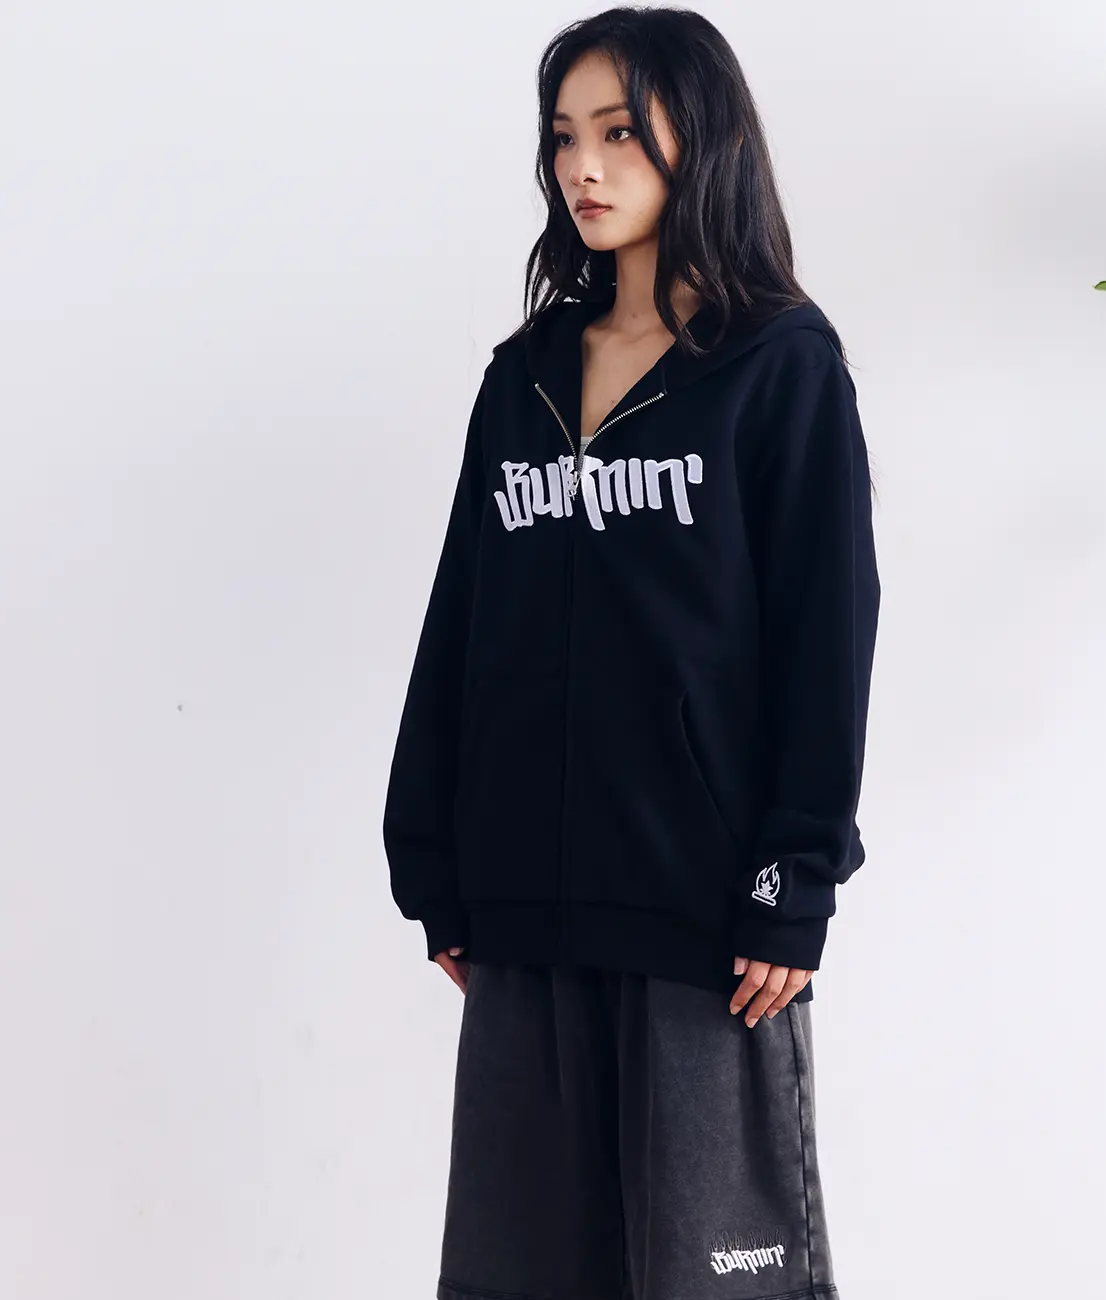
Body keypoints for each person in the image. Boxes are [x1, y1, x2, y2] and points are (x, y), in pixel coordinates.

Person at [381, 7, 881, 1299]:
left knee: (717, 1283)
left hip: (705, 926)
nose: (582, 169)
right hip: (521, 910)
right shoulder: (526, 377)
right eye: (563, 138)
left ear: (697, 140)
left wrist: (794, 875)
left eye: (617, 134)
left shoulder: (778, 366)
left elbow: (827, 635)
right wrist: (432, 857)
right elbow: (462, 621)